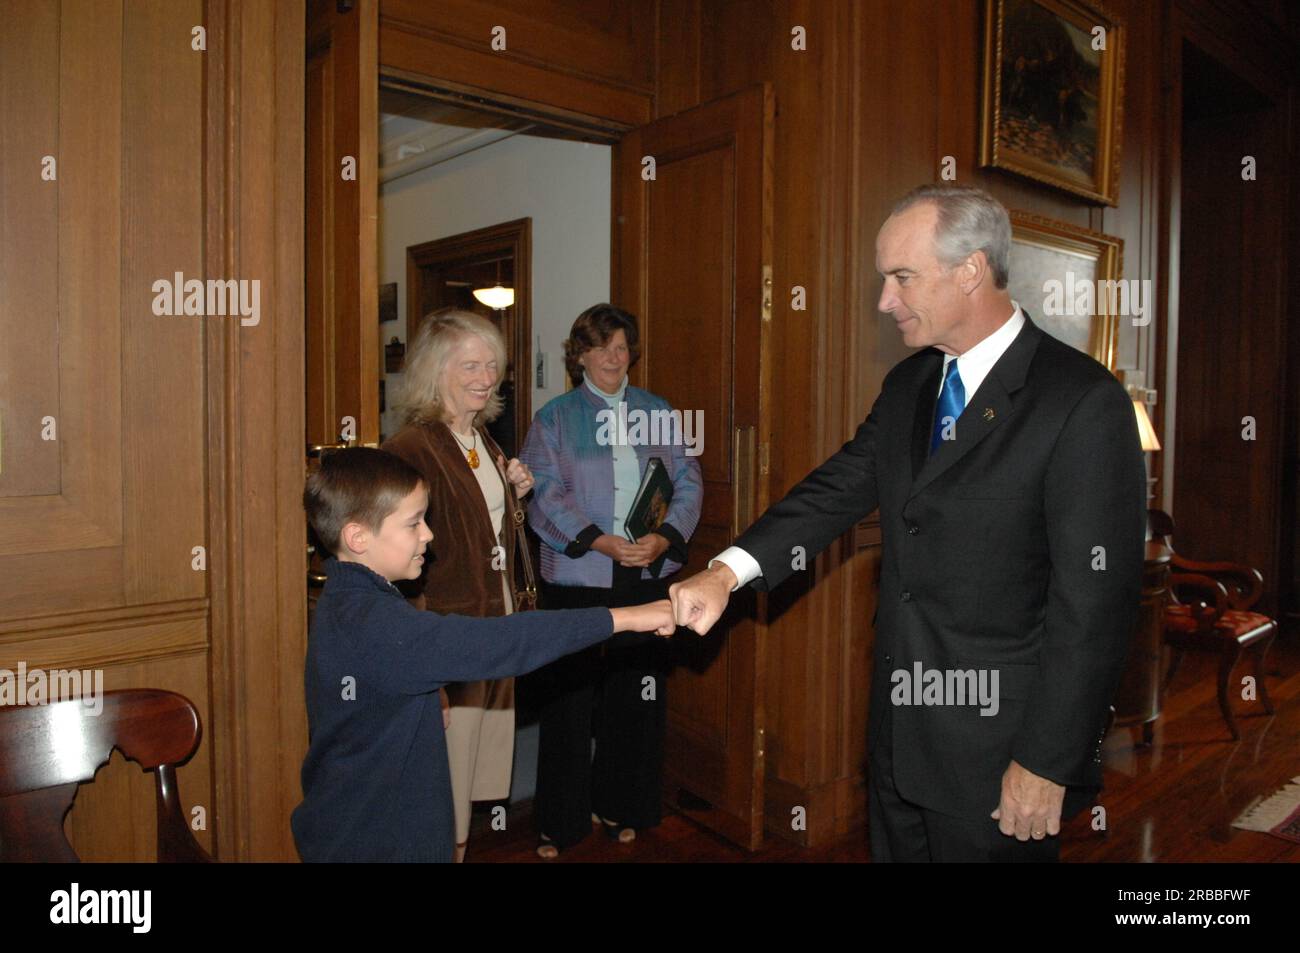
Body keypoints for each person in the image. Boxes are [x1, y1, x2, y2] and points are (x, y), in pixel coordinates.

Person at [668, 185, 1146, 862]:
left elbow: (1095, 605)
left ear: (971, 269)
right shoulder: (910, 385)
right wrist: (727, 571)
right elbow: (836, 489)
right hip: (898, 733)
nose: (885, 301)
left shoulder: (1081, 402)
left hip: (999, 752)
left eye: (902, 278)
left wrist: (1046, 761)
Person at [291, 447, 674, 862]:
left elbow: (397, 666)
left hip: (351, 823)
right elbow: (506, 641)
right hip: (374, 840)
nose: (428, 535)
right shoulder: (375, 624)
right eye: (413, 523)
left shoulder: (347, 598)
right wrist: (628, 617)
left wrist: (425, 687)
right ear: (357, 537)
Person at [520, 303, 703, 857]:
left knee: (637, 697)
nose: (612, 358)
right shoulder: (553, 418)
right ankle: (561, 821)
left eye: (622, 347)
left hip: (646, 573)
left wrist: (666, 536)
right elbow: (545, 492)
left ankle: (623, 804)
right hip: (578, 573)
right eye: (600, 348)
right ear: (579, 356)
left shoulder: (659, 411)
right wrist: (598, 539)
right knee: (570, 701)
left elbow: (689, 478)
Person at [382, 308, 531, 863]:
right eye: (470, 364)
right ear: (433, 372)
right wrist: (424, 662)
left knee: (466, 771)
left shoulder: (481, 439)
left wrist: (514, 493)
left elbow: (478, 526)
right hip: (448, 632)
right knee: (442, 774)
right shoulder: (411, 449)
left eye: (492, 365)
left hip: (493, 624)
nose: (485, 376)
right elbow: (395, 567)